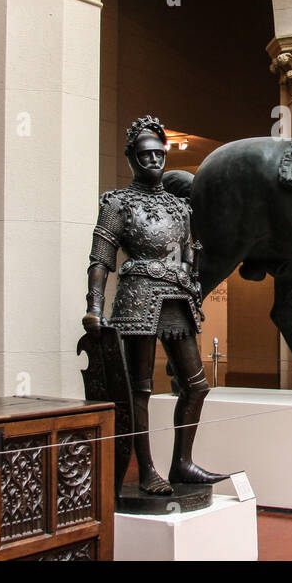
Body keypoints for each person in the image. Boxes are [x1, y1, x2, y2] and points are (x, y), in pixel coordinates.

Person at [82, 116, 225, 496]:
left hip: (177, 296)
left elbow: (189, 253)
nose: (153, 161)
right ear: (132, 158)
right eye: (144, 155)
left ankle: (182, 463)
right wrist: (94, 306)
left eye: (158, 154)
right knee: (139, 390)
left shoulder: (180, 206)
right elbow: (100, 259)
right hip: (138, 296)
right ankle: (145, 468)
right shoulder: (118, 203)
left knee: (196, 387)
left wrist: (194, 281)